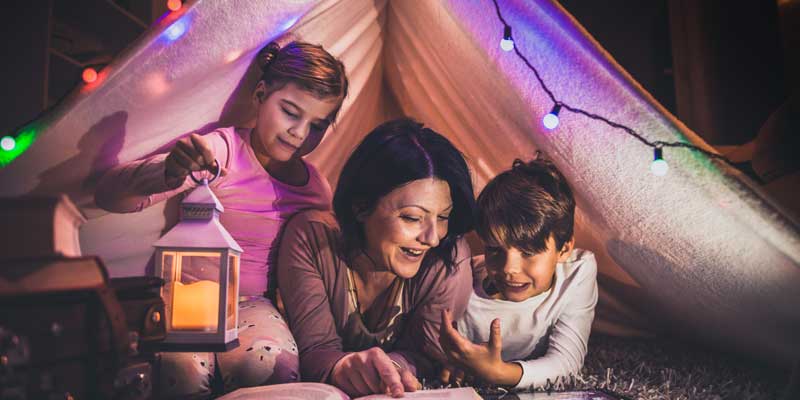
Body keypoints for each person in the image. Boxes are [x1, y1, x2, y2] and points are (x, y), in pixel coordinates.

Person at [95, 41, 348, 398]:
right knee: (181, 370)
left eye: (318, 125)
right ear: (260, 95)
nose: (300, 133)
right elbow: (108, 195)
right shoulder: (221, 151)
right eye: (291, 112)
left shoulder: (316, 188)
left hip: (254, 304)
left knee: (273, 367)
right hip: (185, 296)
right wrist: (168, 172)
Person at [276, 118, 476, 398]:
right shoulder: (312, 238)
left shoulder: (447, 257)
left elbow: (427, 354)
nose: (432, 237)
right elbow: (316, 349)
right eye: (412, 217)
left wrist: (392, 368)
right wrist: (343, 366)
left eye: (442, 217)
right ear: (361, 207)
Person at [438, 157, 598, 390]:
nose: (508, 268)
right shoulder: (461, 283)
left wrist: (499, 373)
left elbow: (566, 364)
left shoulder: (577, 272)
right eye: (494, 249)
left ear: (564, 248)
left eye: (528, 252)